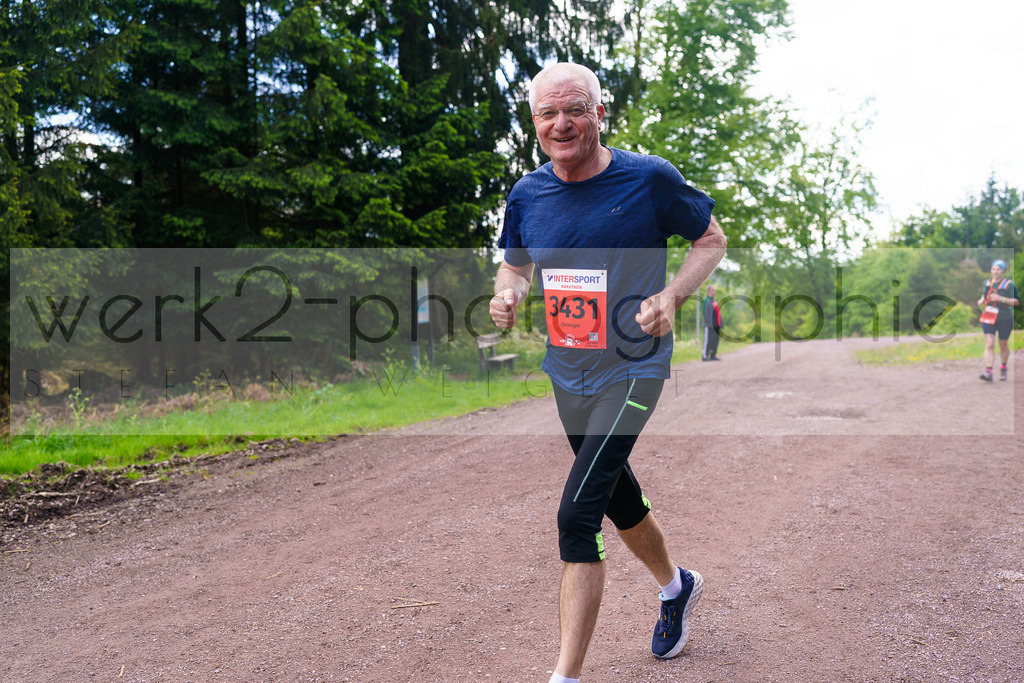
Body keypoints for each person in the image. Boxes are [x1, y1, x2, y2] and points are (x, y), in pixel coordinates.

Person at [489, 62, 726, 683]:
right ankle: (677, 586)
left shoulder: (647, 179)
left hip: (634, 367)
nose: (561, 123)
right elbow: (514, 264)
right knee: (616, 494)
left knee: (577, 514)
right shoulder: (527, 194)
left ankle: (563, 677)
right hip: (568, 373)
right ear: (535, 122)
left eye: (575, 109)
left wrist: (672, 296)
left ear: (600, 111)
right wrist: (507, 293)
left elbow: (711, 240)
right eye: (547, 113)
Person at [976, 259, 1018, 382]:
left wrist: (1001, 299)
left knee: (1003, 345)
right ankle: (988, 372)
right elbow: (985, 295)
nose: (996, 272)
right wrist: (981, 300)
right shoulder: (987, 283)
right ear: (991, 270)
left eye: (999, 269)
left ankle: (1003, 367)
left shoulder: (1009, 284)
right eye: (994, 269)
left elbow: (1016, 301)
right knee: (989, 344)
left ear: (1003, 271)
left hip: (1005, 317)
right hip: (989, 315)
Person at [701, 284, 722, 361]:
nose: (714, 291)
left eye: (715, 290)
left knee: (714, 340)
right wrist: (709, 323)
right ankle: (705, 356)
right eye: (713, 290)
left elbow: (718, 313)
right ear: (708, 291)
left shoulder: (714, 301)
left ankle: (713, 355)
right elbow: (704, 313)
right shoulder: (706, 301)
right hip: (709, 325)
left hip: (716, 325)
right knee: (708, 341)